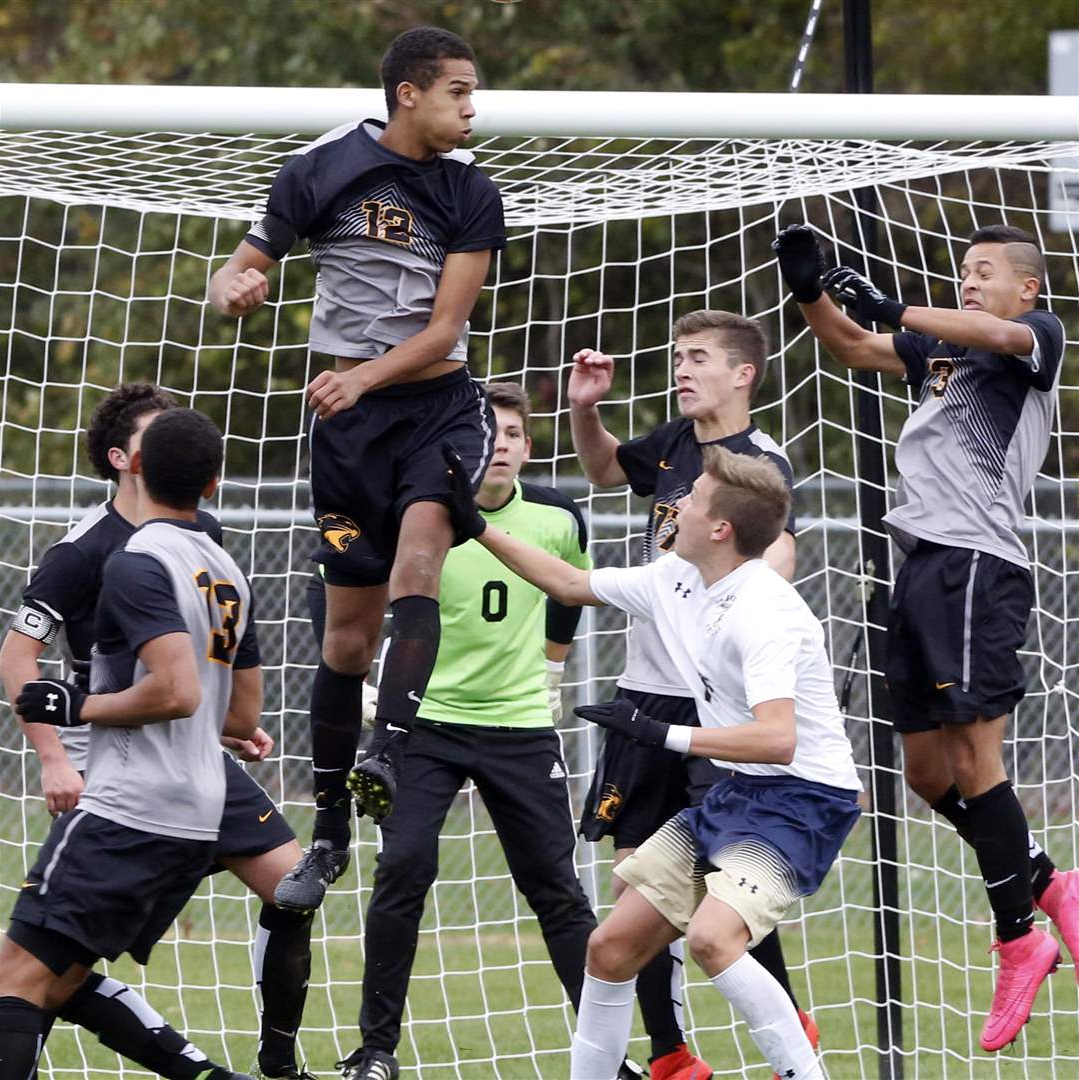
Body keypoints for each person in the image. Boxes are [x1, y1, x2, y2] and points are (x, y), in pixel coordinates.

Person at [442, 442, 860, 1080]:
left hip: (802, 799)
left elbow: (778, 739)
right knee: (610, 948)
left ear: (720, 530)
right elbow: (569, 583)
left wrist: (659, 734)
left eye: (692, 500)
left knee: (712, 939)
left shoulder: (766, 610)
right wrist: (475, 525)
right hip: (738, 791)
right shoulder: (676, 576)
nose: (675, 506)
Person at [208, 25, 506, 914]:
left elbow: (445, 331)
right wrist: (233, 290)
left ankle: (390, 745)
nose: (473, 108)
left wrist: (364, 377)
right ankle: (330, 830)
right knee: (345, 642)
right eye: (459, 91)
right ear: (408, 93)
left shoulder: (471, 191)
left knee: (422, 553)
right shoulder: (319, 169)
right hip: (348, 433)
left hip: (439, 411)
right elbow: (236, 273)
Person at [772, 222, 1074, 1052]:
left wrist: (899, 305)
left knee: (977, 762)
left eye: (986, 271)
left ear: (1027, 288)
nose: (970, 281)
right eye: (964, 271)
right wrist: (809, 290)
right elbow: (851, 344)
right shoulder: (941, 352)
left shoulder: (1035, 339)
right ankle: (1049, 884)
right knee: (925, 772)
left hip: (975, 564)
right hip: (921, 567)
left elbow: (991, 334)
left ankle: (1018, 938)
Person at [0, 386, 315, 1080]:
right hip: (117, 762)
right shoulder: (82, 552)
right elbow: (17, 657)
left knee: (28, 969)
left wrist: (206, 721)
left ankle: (277, 1060)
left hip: (150, 776)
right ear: (126, 459)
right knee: (45, 969)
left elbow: (182, 687)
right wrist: (53, 758)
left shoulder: (187, 546)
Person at [303, 383, 609, 1080]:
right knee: (402, 872)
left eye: (513, 434)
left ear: (528, 448)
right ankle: (375, 1052)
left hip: (520, 727)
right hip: (425, 728)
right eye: (490, 432)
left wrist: (552, 672)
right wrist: (365, 677)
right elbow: (344, 590)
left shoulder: (559, 518)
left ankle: (605, 1055)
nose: (500, 445)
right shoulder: (421, 515)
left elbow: (568, 596)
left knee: (557, 890)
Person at [569, 310, 816, 1080]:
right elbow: (604, 471)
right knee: (636, 874)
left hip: (714, 711)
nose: (682, 368)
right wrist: (584, 409)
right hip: (645, 696)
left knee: (727, 875)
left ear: (743, 374)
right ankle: (670, 1054)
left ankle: (792, 1036)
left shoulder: (759, 462)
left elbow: (781, 552)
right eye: (679, 356)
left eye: (699, 357)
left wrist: (725, 606)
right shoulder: (674, 442)